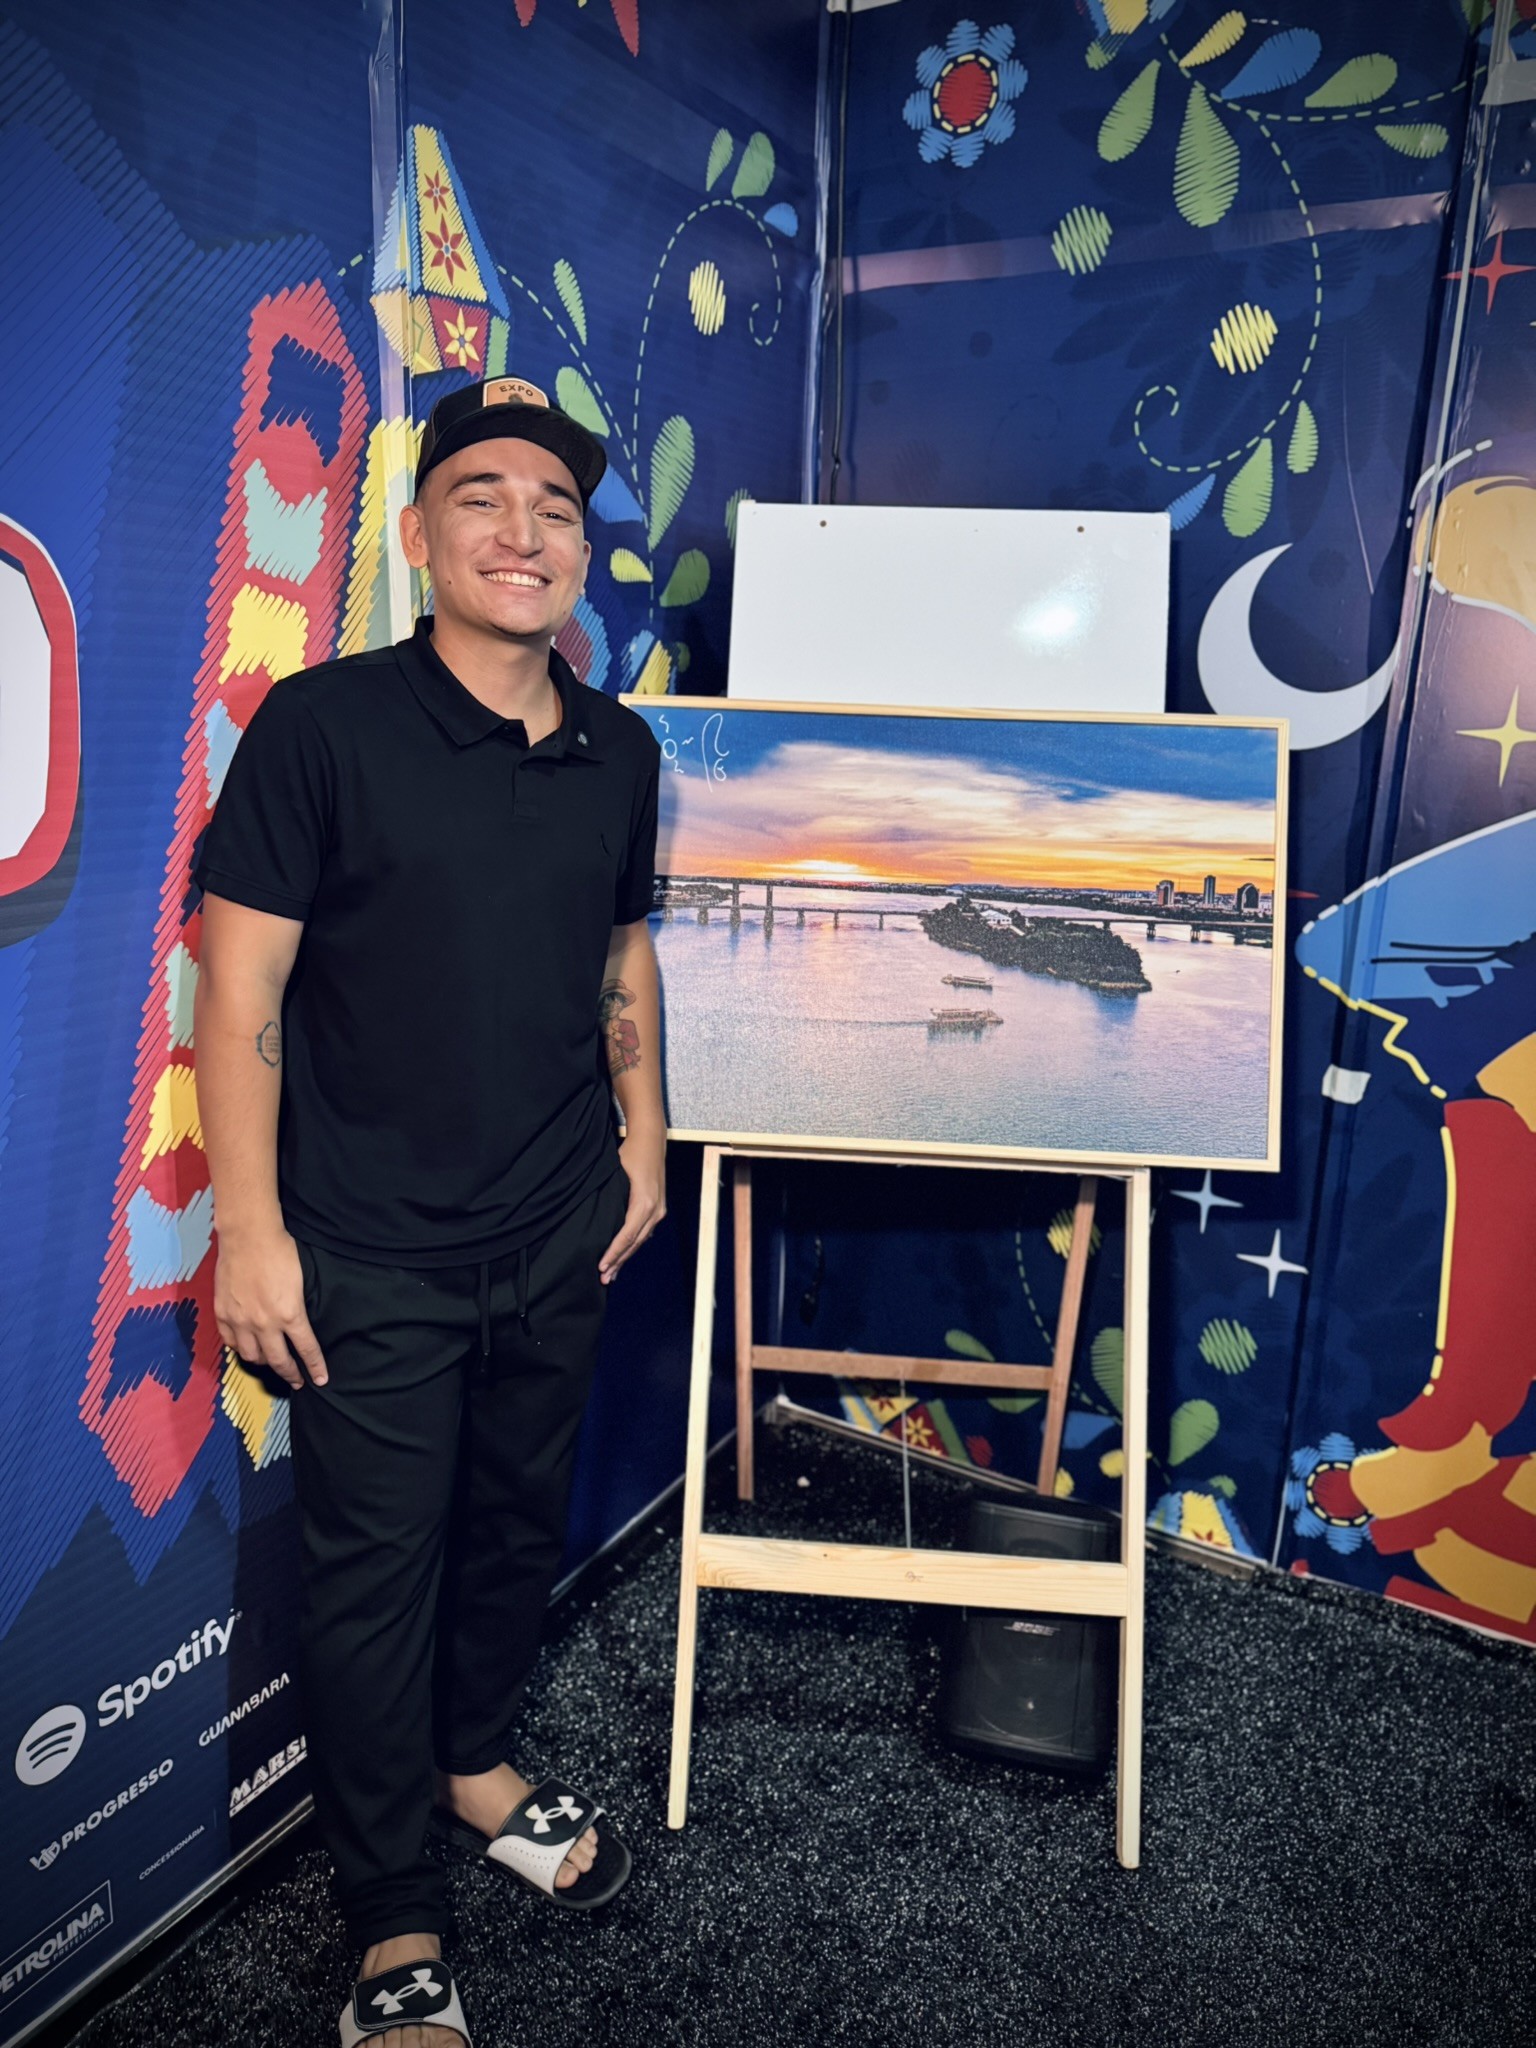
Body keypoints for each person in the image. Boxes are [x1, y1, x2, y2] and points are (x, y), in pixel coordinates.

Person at [192, 376, 665, 2048]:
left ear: (581, 551)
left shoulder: (620, 747)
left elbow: (621, 953)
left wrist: (645, 1135)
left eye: (556, 505)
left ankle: (475, 1765)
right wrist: (252, 1234)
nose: (524, 529)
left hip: (558, 1231)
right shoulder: (322, 728)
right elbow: (237, 989)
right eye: (483, 496)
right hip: (368, 1258)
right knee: (371, 1588)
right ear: (416, 537)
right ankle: (393, 1918)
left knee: (514, 1534)